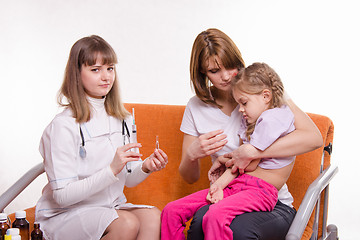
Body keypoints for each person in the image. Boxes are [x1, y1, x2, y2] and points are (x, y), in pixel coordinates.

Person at [172, 28, 323, 239]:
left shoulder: (258, 90)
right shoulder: (196, 108)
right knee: (199, 224)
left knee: (238, 230)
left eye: (230, 66)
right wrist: (192, 154)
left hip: (273, 201)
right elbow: (189, 177)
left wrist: (252, 152)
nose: (225, 77)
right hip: (230, 194)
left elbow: (314, 138)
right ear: (202, 73)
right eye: (214, 71)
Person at [34, 35, 168, 240]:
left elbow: (129, 179)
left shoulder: (123, 118)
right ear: (77, 74)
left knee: (153, 217)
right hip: (66, 213)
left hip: (108, 207)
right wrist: (111, 169)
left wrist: (146, 166)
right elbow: (62, 196)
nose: (106, 77)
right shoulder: (63, 125)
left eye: (110, 68)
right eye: (95, 69)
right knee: (127, 224)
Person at [161, 62, 296, 240]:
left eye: (244, 103)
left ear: (266, 96)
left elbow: (247, 162)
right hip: (239, 183)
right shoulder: (249, 120)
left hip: (260, 191)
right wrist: (218, 185)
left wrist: (225, 162)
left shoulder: (274, 118)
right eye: (214, 71)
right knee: (172, 210)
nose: (240, 109)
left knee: (215, 215)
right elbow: (239, 163)